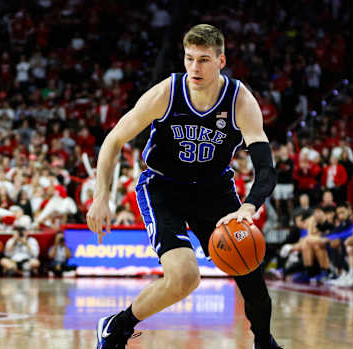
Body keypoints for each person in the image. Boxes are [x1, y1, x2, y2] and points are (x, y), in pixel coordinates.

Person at [87, 24, 281, 349]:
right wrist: (101, 196)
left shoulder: (239, 100)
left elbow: (265, 166)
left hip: (214, 191)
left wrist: (248, 206)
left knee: (251, 272)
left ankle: (264, 343)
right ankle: (116, 326)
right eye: (189, 58)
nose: (194, 68)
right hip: (163, 188)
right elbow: (114, 139)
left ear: (221, 60)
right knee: (185, 277)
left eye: (204, 60)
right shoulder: (167, 92)